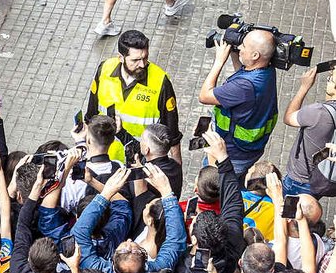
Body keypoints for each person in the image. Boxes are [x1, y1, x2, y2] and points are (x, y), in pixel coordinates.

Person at [84, 29, 182, 159]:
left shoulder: (160, 82)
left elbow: (172, 133)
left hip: (142, 158)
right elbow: (91, 114)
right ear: (121, 58)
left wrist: (176, 170)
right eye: (135, 60)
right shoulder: (105, 69)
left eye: (145, 58)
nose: (142, 64)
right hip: (107, 155)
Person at [198, 29, 279, 181]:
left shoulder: (244, 87)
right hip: (250, 149)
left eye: (243, 46)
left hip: (232, 155)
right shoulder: (267, 69)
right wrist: (235, 54)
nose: (239, 47)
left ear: (255, 55)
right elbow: (242, 73)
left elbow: (204, 96)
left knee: (214, 187)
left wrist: (219, 61)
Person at [281, 64, 336, 197]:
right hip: (324, 177)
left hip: (299, 181)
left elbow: (288, 118)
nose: (328, 78)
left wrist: (304, 87)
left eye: (331, 79)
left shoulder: (318, 112)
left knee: (287, 212)